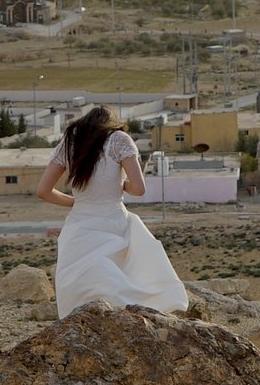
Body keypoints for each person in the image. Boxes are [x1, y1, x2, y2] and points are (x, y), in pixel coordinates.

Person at [34, 106, 189, 319]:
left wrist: (76, 202)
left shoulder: (71, 143)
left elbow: (43, 191)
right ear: (111, 123)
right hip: (113, 221)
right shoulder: (119, 140)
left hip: (79, 225)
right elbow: (139, 189)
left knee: (81, 287)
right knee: (123, 280)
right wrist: (123, 185)